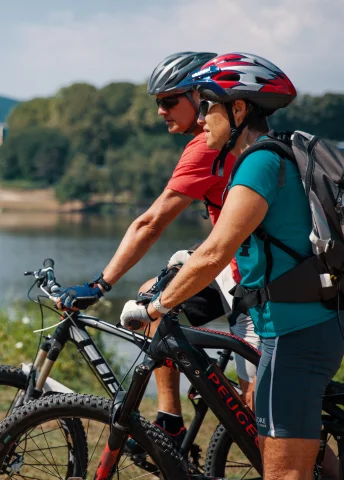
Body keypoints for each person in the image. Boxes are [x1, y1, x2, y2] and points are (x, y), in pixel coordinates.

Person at [122, 52, 344, 480]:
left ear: (239, 109)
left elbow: (215, 251)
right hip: (307, 323)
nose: (202, 118)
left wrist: (156, 307)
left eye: (208, 106)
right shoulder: (276, 154)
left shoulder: (258, 162)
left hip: (295, 334)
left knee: (283, 474)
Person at [55, 51, 259, 445]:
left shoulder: (205, 147)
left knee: (259, 424)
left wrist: (100, 286)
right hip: (233, 264)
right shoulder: (222, 140)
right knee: (154, 297)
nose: (160, 111)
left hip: (251, 275)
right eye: (157, 103)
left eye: (169, 101)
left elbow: (150, 223)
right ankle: (170, 419)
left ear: (200, 98)